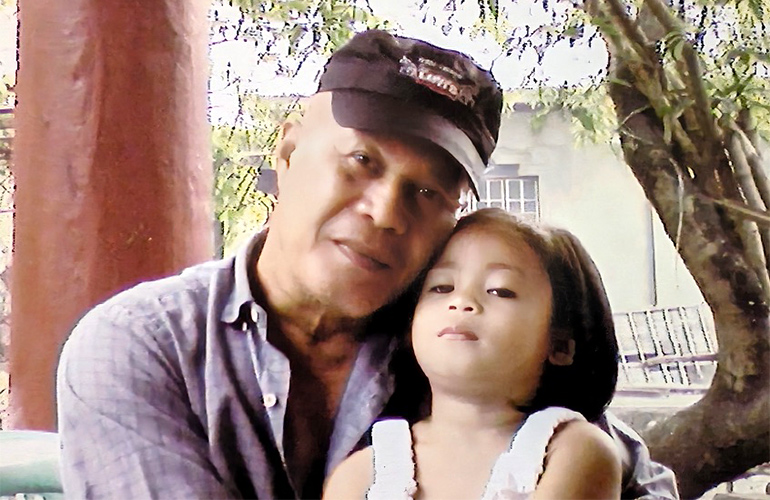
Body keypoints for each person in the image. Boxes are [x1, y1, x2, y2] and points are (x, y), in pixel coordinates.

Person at [56, 29, 678, 499]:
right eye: (362, 161)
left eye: (429, 192)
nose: (385, 212)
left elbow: (634, 476)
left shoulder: (450, 339)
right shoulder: (143, 346)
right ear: (290, 148)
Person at [323, 208, 623, 499]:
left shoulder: (573, 451)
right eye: (442, 287)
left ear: (560, 345)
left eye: (500, 290)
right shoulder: (362, 472)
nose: (461, 301)